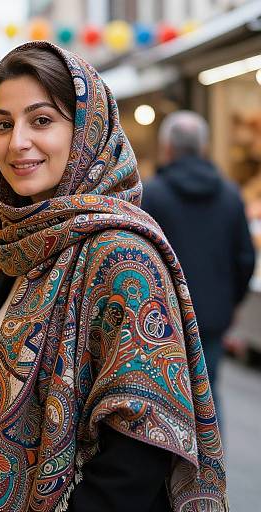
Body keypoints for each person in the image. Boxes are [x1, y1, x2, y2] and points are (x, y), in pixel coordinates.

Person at [0, 42, 228, 512]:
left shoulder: (123, 257)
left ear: (87, 130)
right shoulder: (22, 243)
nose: (16, 141)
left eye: (41, 120)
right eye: (3, 124)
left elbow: (139, 452)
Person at [142, 110, 255, 422]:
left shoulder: (151, 195)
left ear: (167, 147)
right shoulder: (231, 195)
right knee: (209, 393)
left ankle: (175, 465)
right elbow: (245, 257)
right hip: (212, 316)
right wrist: (232, 301)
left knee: (163, 395)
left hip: (162, 317)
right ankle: (212, 467)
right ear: (204, 147)